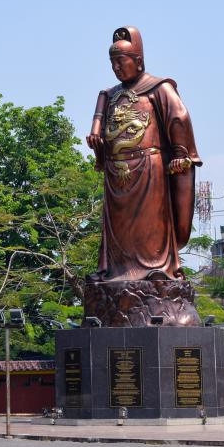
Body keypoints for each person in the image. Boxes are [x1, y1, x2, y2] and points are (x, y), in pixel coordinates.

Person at [86, 26, 201, 282]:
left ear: (138, 61)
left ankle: (155, 267)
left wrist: (180, 153)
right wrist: (98, 144)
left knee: (149, 224)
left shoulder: (158, 88)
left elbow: (179, 118)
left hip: (149, 168)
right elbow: (103, 131)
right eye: (112, 63)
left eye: (121, 61)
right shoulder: (110, 95)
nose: (116, 68)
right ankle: (116, 271)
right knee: (119, 229)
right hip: (117, 174)